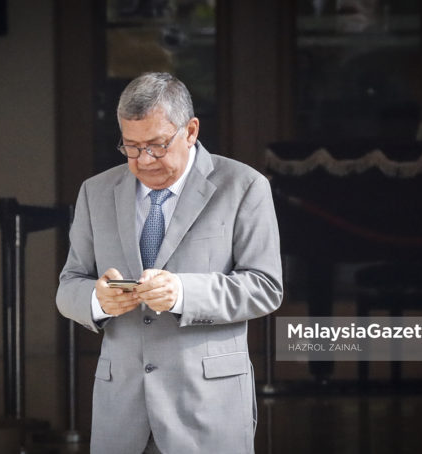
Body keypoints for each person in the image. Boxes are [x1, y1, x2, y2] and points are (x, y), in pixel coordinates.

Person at [56, 72, 283, 453]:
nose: (144, 160)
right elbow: (68, 285)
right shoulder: (95, 192)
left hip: (207, 409)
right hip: (121, 413)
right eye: (131, 147)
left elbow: (265, 287)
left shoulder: (244, 186)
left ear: (190, 131)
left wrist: (182, 293)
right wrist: (97, 301)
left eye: (157, 146)